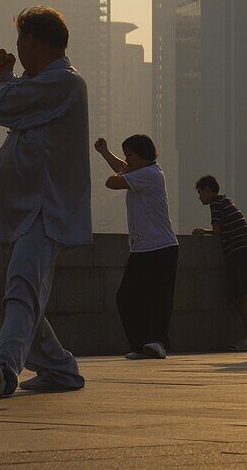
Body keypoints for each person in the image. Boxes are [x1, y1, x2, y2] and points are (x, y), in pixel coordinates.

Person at [0, 6, 90, 398]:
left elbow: (1, 107)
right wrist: (12, 78)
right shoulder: (39, 83)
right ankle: (59, 367)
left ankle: (6, 366)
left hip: (45, 208)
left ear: (37, 42)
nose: (17, 48)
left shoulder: (65, 83)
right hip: (13, 208)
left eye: (21, 40)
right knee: (2, 292)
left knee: (22, 286)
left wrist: (3, 76)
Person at [95, 134, 178, 360]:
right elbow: (123, 168)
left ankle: (158, 342)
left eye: (130, 155)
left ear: (143, 156)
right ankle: (141, 344)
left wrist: (121, 168)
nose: (126, 159)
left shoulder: (151, 175)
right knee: (128, 297)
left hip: (161, 246)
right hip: (142, 248)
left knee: (157, 298)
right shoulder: (140, 172)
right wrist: (105, 153)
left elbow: (112, 181)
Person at [193, 175, 247, 351]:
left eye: (200, 192)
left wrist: (204, 231)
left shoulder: (216, 203)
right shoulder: (226, 201)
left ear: (208, 190)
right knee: (241, 297)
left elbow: (217, 231)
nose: (199, 197)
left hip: (239, 253)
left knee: (243, 296)